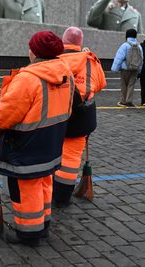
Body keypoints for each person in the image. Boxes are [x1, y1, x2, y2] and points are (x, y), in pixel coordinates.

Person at [0, 31, 74, 246]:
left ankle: (28, 233)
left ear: (34, 52)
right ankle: (43, 224)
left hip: (26, 144)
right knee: (44, 181)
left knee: (25, 188)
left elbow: (6, 114)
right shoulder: (66, 73)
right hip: (52, 141)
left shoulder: (28, 78)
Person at [53, 27, 107, 208]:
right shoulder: (90, 60)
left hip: (56, 116)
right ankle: (62, 197)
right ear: (80, 43)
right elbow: (100, 84)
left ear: (63, 41)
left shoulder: (54, 60)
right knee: (71, 158)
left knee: (51, 153)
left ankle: (46, 190)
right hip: (82, 118)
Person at [111, 29, 143, 107]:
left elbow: (119, 57)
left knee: (124, 85)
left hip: (125, 69)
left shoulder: (125, 45)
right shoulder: (139, 46)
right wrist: (139, 70)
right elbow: (141, 59)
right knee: (131, 85)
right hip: (135, 69)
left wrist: (114, 69)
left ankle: (123, 101)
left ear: (126, 36)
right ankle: (129, 101)